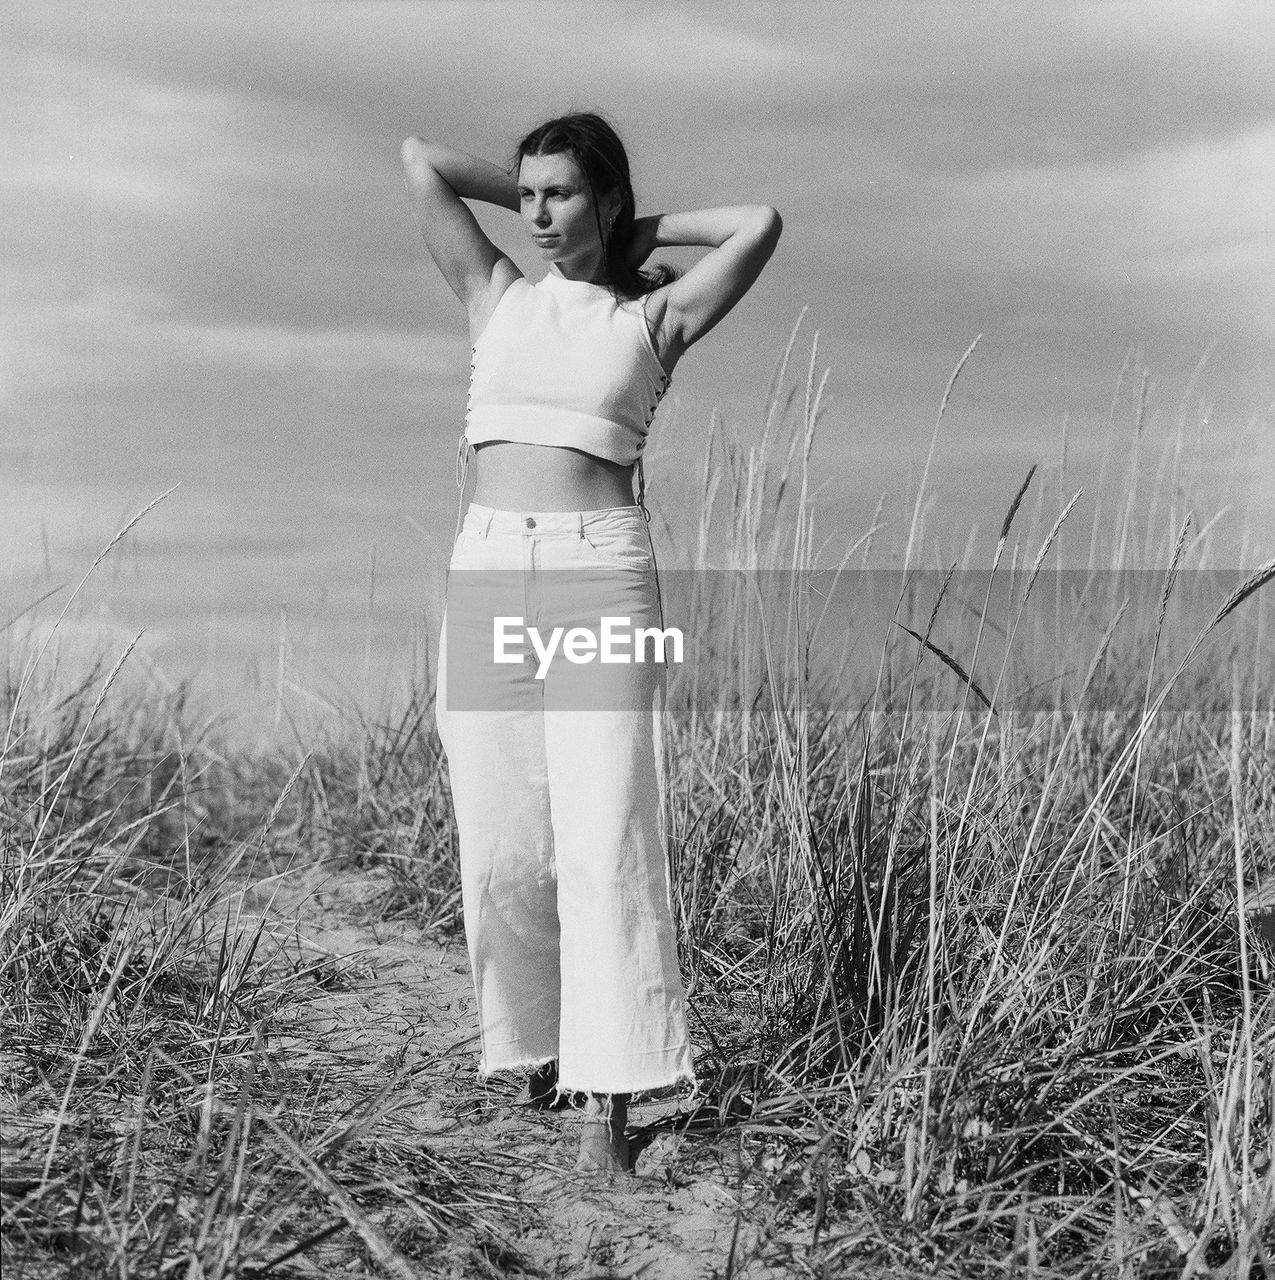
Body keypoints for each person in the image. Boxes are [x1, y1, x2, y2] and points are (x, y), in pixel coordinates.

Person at [400, 111, 781, 1174]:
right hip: (487, 565)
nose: (533, 214)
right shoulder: (497, 295)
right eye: (523, 195)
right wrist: (547, 203)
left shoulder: (654, 320)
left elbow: (759, 222)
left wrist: (626, 226)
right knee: (504, 831)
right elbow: (422, 161)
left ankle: (609, 1096)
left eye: (560, 194)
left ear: (605, 200)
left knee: (604, 831)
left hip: (598, 570)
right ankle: (537, 1046)